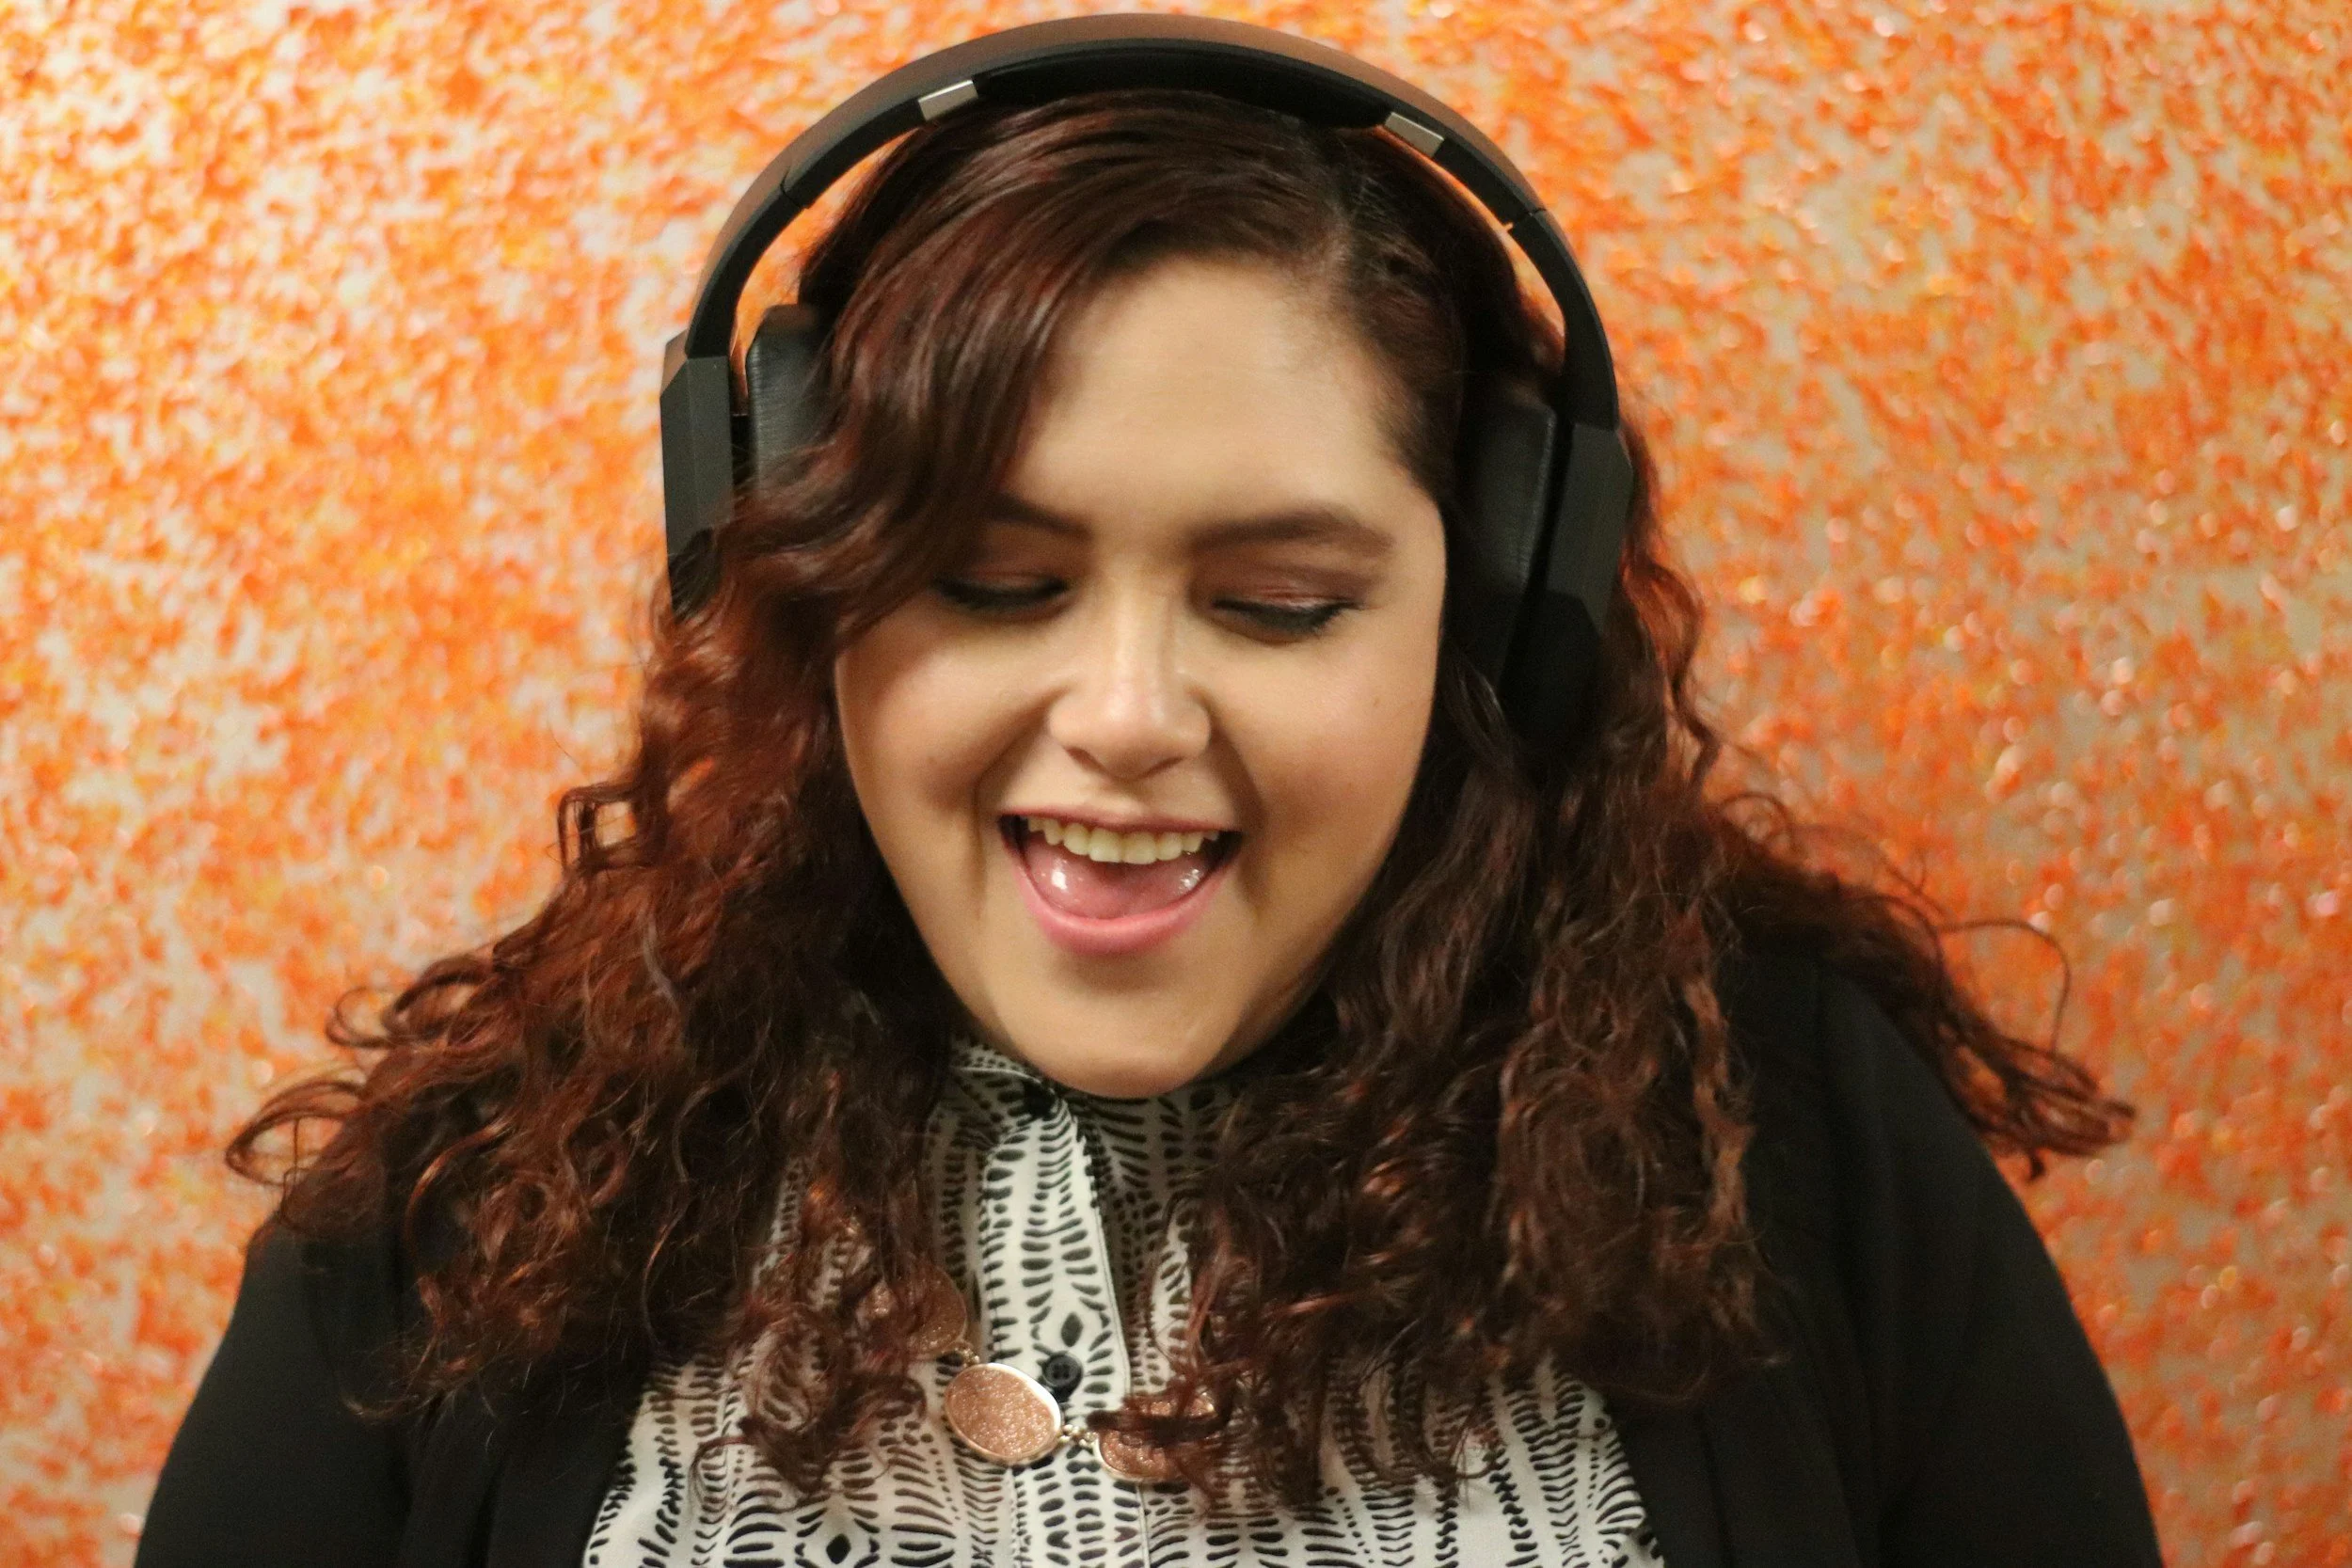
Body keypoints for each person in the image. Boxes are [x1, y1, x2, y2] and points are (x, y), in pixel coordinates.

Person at [135, 21, 2164, 1568]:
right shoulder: (471, 1203)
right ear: (797, 589)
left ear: (1492, 607)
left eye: (1277, 603)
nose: (1120, 714)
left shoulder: (1792, 1136)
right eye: (995, 583)